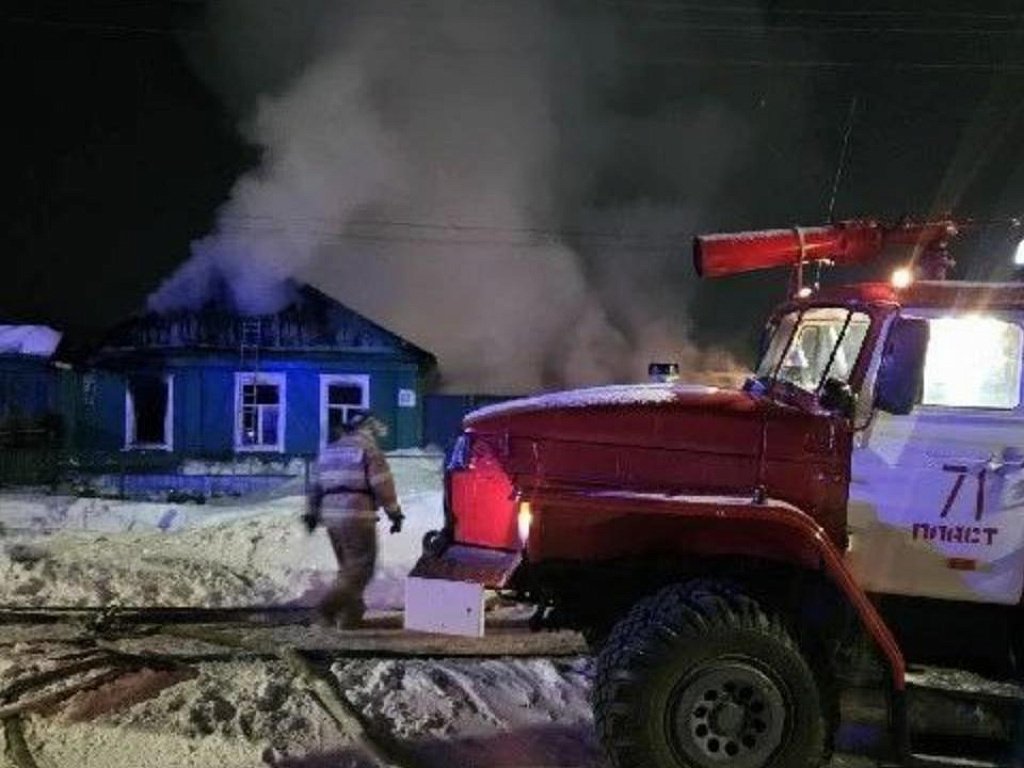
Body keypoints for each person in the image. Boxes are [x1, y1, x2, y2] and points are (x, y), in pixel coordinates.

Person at [303, 411, 404, 628]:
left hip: (332, 517)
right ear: (368, 429)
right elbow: (382, 483)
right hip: (356, 515)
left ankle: (350, 619)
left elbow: (316, 486)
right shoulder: (367, 450)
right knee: (360, 568)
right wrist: (394, 512)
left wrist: (312, 513)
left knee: (348, 568)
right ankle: (326, 610)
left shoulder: (329, 451)